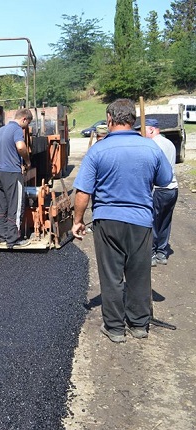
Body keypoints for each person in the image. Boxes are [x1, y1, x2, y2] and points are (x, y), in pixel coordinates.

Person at [72, 99, 173, 343]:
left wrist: (78, 220)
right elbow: (165, 179)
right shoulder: (150, 148)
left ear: (109, 119)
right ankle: (139, 325)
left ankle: (115, 329)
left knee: (111, 275)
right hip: (140, 221)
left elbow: (83, 192)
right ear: (133, 120)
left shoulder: (98, 150)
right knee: (139, 274)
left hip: (107, 221)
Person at [0, 108, 33, 249]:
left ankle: (2, 237)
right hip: (12, 174)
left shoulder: (1, 130)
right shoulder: (16, 130)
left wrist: (0, 163)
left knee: (2, 206)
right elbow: (20, 147)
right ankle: (13, 240)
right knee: (16, 205)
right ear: (24, 119)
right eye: (27, 123)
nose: (26, 127)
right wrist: (27, 162)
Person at [142, 118, 179, 266]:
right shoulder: (168, 143)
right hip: (173, 189)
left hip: (159, 189)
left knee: (152, 222)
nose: (142, 133)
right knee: (165, 221)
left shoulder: (153, 145)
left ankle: (151, 253)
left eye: (144, 130)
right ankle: (162, 253)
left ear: (151, 129)